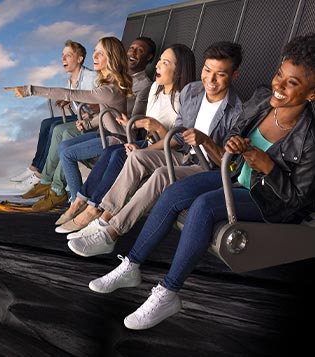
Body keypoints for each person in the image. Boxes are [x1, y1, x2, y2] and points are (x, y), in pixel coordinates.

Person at [87, 32, 315, 331]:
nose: (279, 86)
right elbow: (234, 134)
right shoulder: (262, 98)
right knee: (173, 190)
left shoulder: (309, 137)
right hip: (232, 176)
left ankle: (168, 291)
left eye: (292, 83)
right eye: (279, 75)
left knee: (204, 205)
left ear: (311, 94)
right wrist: (235, 143)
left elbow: (296, 199)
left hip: (266, 200)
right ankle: (131, 265)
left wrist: (269, 166)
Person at [67, 41, 244, 257]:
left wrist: (205, 141)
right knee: (137, 158)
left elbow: (229, 164)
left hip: (204, 166)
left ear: (234, 75)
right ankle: (103, 220)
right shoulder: (193, 91)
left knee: (160, 175)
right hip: (183, 155)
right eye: (207, 71)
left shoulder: (237, 111)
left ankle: (111, 234)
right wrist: (147, 151)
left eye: (221, 74)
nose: (211, 80)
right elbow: (177, 136)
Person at [55, 43, 195, 232]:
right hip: (150, 141)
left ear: (179, 70)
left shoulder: (184, 99)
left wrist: (154, 133)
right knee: (111, 152)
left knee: (118, 154)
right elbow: (147, 124)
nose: (157, 66)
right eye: (159, 61)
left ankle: (94, 208)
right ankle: (80, 201)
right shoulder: (156, 88)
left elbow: (179, 142)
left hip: (167, 150)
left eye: (164, 62)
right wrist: (132, 123)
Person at [22, 37, 156, 212]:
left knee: (67, 146)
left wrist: (31, 90)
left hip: (119, 136)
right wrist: (88, 122)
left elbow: (74, 95)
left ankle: (74, 200)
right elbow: (107, 111)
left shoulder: (134, 85)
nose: (95, 56)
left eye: (100, 53)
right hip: (104, 127)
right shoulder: (110, 81)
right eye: (95, 51)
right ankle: (52, 185)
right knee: (61, 142)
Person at [10, 40, 98, 192]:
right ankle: (34, 167)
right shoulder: (71, 80)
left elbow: (98, 101)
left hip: (91, 120)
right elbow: (73, 96)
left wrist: (86, 107)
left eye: (68, 55)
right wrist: (68, 101)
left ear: (80, 58)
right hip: (79, 116)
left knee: (56, 128)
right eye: (62, 55)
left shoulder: (92, 77)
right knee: (46, 123)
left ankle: (41, 176)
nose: (63, 59)